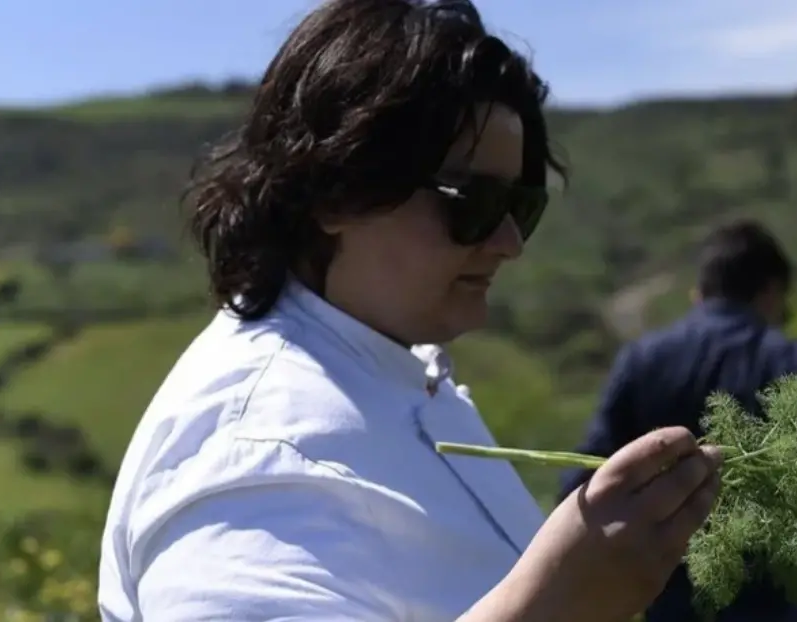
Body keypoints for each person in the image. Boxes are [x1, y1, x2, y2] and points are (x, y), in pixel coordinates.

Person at [96, 2, 723, 621]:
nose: (508, 243)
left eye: (522, 206)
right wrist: (554, 606)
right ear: (337, 192)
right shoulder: (260, 453)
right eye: (471, 201)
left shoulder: (393, 375)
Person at [558, 219, 797, 622]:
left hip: (664, 591)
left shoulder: (643, 360)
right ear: (772, 291)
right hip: (769, 600)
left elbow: (583, 478)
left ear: (699, 293)